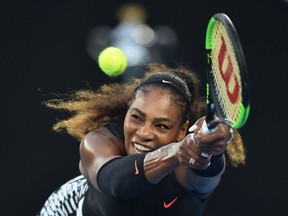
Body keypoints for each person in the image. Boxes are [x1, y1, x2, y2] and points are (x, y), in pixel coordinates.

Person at [37, 63, 246, 216]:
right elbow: (116, 182)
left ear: (182, 131)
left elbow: (206, 170)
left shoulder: (188, 169)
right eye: (136, 118)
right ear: (127, 111)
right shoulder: (100, 142)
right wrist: (176, 152)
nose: (144, 133)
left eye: (161, 126)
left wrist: (210, 149)